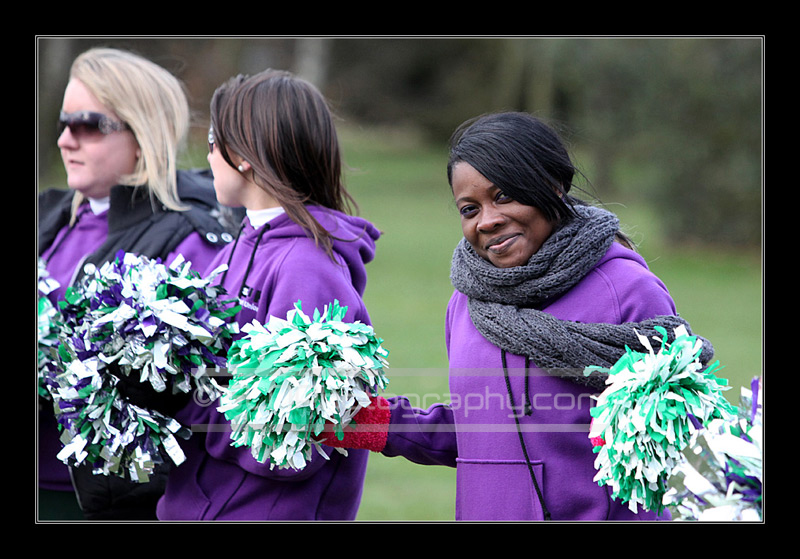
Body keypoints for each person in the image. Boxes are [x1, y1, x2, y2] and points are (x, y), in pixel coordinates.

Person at [324, 112, 715, 521]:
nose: (488, 220)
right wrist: (371, 421)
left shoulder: (627, 291)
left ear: (553, 186)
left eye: (505, 196)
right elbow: (482, 435)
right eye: (470, 209)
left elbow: (676, 447)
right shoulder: (467, 304)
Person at [156, 70, 381, 521]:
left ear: (242, 155)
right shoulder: (239, 245)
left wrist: (181, 404)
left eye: (213, 140)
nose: (208, 155)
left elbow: (292, 439)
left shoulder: (307, 271)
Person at [38, 47, 233, 520]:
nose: (65, 140)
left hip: (114, 502)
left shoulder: (192, 241)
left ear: (142, 132)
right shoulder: (48, 218)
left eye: (88, 125)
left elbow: (201, 393)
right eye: (64, 123)